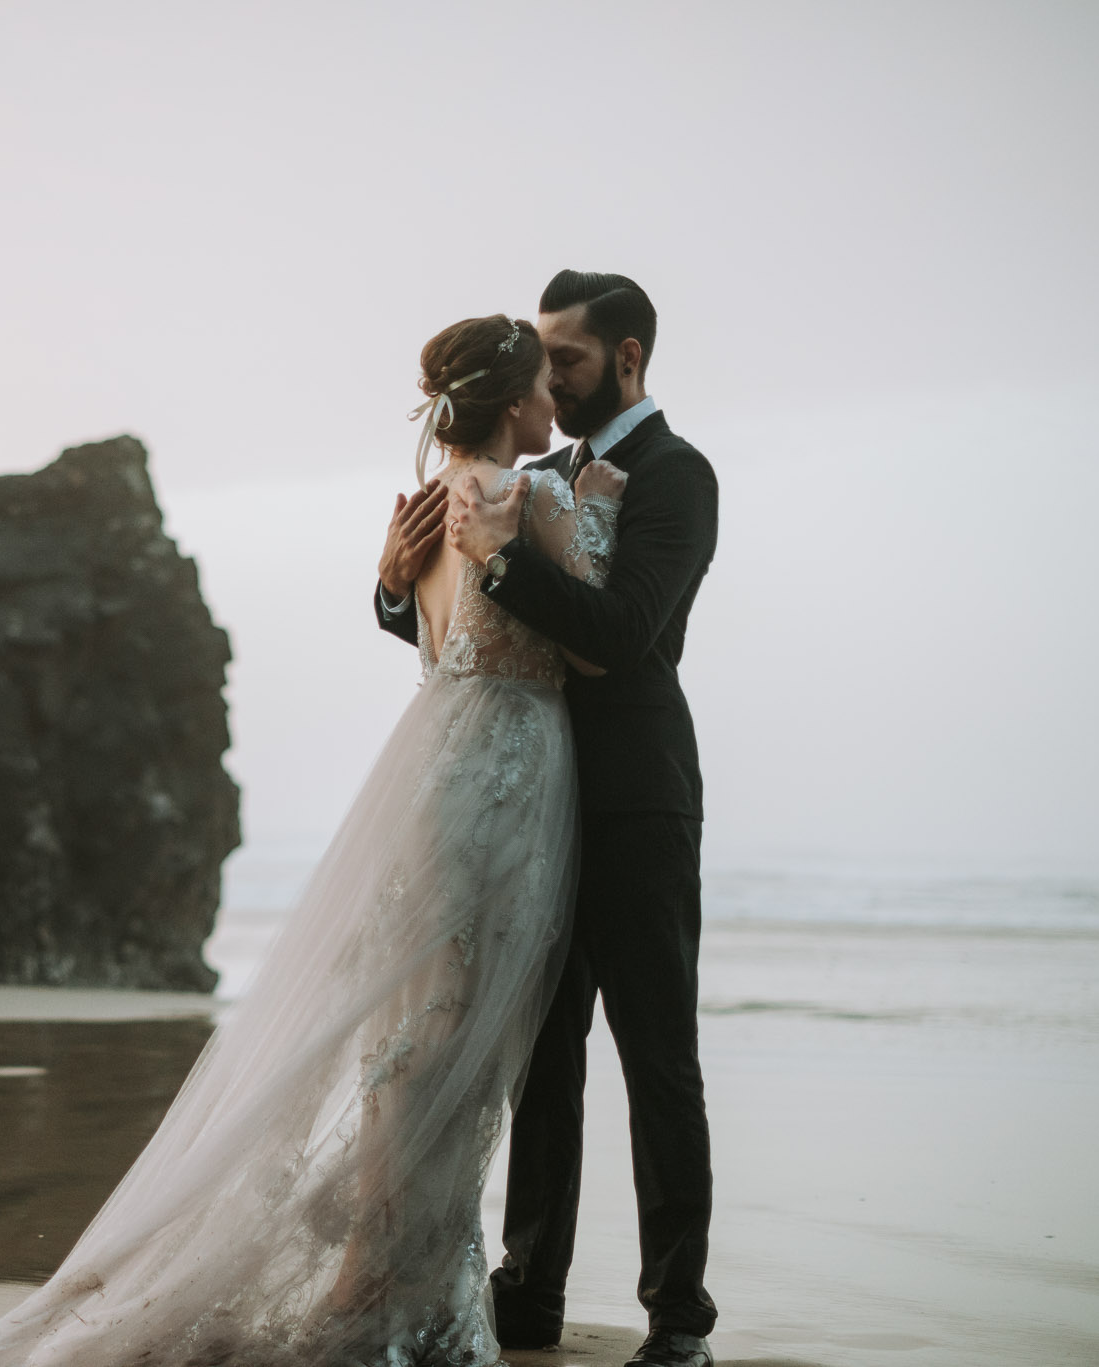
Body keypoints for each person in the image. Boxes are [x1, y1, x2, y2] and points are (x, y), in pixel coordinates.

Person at [0, 312, 624, 1367]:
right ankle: (397, 1287)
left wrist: (399, 577)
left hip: (433, 766)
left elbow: (424, 623)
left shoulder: (428, 513)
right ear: (511, 401)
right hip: (507, 775)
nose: (551, 404)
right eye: (539, 386)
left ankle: (381, 1270)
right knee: (447, 1037)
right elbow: (596, 639)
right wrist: (599, 513)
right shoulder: (534, 498)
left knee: (414, 1032)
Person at [380, 271, 721, 1367]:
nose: (547, 377)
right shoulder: (530, 474)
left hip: (634, 799)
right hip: (530, 807)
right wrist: (393, 586)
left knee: (655, 1053)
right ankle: (527, 1289)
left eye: (565, 359)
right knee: (542, 1053)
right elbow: (472, 634)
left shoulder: (677, 476)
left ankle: (678, 1318)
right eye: (538, 359)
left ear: (626, 357)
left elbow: (621, 631)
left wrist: (507, 559)